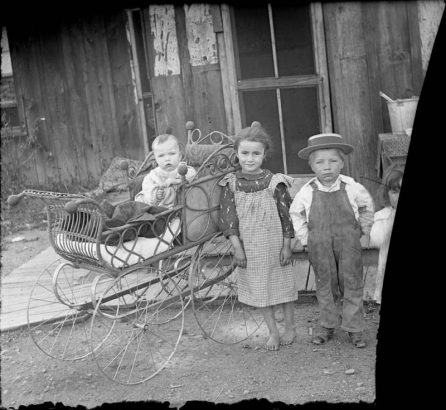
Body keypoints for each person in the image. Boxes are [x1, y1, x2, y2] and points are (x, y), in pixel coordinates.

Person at [218, 121, 298, 351]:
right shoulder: (231, 184)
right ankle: (273, 331)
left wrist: (286, 246)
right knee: (260, 289)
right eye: (244, 153)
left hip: (274, 244)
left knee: (282, 287)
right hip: (249, 247)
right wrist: (237, 248)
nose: (250, 158)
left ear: (264, 155)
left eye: (256, 153)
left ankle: (290, 326)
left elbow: (286, 217)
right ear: (236, 154)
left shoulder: (275, 183)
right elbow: (229, 219)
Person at [289, 133, 374, 348]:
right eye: (320, 162)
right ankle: (327, 325)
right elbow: (296, 213)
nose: (327, 167)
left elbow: (367, 207)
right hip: (319, 245)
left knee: (352, 284)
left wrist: (363, 230)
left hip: (349, 244)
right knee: (325, 285)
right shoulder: (307, 191)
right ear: (312, 165)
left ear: (342, 162)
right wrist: (305, 237)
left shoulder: (353, 187)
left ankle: (354, 329)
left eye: (333, 161)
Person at [370, 162, 404, 305]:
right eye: (395, 192)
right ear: (387, 194)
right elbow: (376, 240)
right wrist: (388, 223)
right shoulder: (384, 215)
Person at [135, 134, 196, 208]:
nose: (167, 158)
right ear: (156, 159)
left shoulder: (182, 168)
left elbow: (192, 174)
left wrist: (176, 181)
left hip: (178, 204)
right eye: (161, 156)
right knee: (141, 200)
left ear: (179, 156)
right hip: (160, 204)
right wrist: (156, 194)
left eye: (172, 154)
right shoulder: (154, 175)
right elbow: (147, 188)